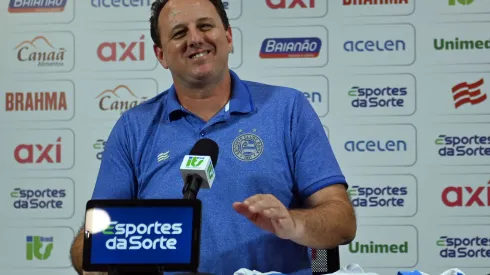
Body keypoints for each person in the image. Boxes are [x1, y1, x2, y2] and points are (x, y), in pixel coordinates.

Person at [69, 0, 357, 274]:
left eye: (205, 26)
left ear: (229, 37)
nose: (195, 39)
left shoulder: (287, 108)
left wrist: (293, 223)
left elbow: (342, 220)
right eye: (180, 32)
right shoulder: (133, 127)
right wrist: (107, 255)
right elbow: (89, 246)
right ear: (161, 55)